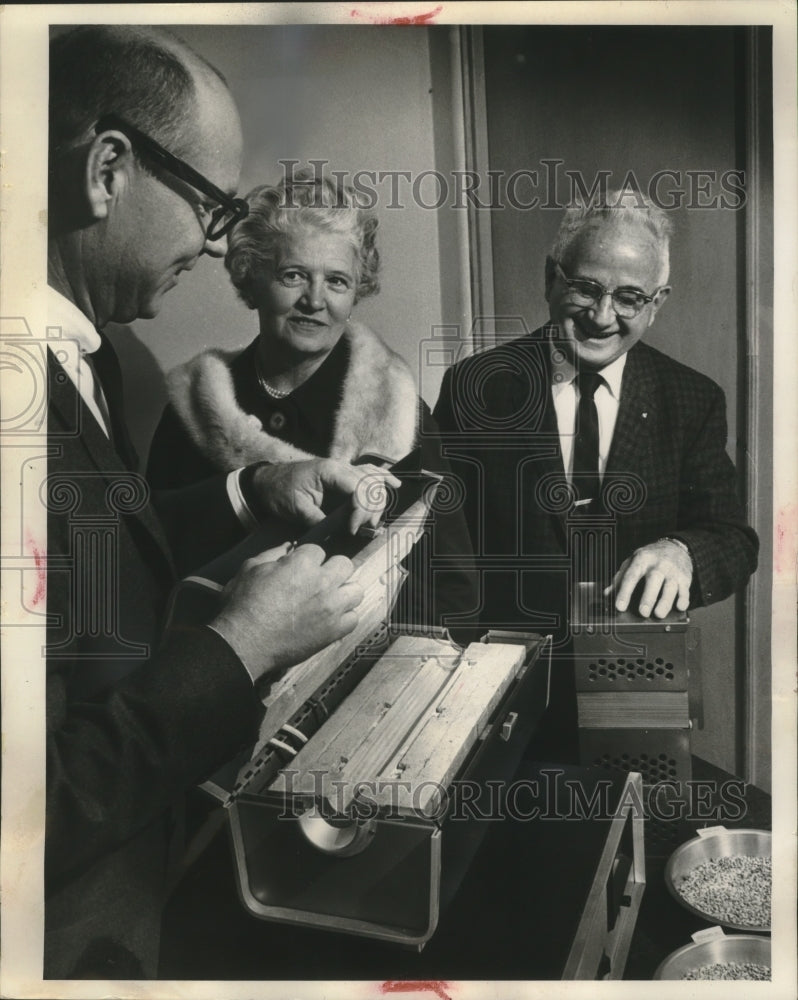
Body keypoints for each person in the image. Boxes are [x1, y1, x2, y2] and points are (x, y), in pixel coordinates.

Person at [45, 26, 391, 979]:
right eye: (207, 202)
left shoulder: (86, 355)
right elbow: (37, 804)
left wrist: (252, 490)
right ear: (108, 169)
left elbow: (93, 564)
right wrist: (242, 645)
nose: (212, 240)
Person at [433, 192, 759, 758]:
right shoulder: (474, 387)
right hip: (497, 700)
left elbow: (733, 538)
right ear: (550, 280)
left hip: (636, 690)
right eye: (585, 287)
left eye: (630, 297)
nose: (603, 316)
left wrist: (682, 550)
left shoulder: (693, 399)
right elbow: (438, 549)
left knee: (633, 833)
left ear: (657, 304)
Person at [147, 169, 478, 633]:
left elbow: (453, 588)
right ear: (252, 276)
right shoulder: (196, 407)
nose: (314, 300)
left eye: (337, 282)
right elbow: (148, 562)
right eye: (293, 275)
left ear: (356, 294)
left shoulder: (400, 413)